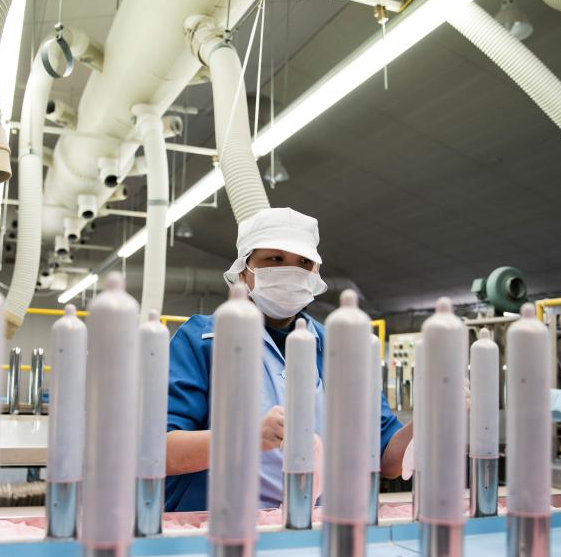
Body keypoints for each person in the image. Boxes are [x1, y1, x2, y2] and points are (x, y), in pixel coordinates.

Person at [164, 207, 413, 511]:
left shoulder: (341, 349)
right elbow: (160, 452)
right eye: (275, 259)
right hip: (217, 527)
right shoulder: (201, 341)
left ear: (315, 275)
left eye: (304, 263)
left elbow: (388, 459)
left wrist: (430, 417)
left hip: (320, 529)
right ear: (244, 270)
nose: (291, 271)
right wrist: (247, 437)